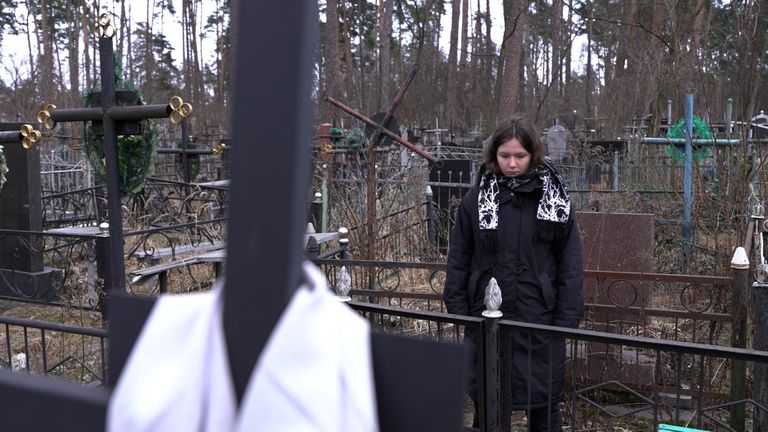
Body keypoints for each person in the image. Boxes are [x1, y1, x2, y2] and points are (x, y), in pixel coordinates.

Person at [443, 114, 585, 431]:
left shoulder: (554, 199)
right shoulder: (477, 199)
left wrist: (566, 318)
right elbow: (460, 256)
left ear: (533, 154)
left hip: (540, 320)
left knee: (544, 407)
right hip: (486, 320)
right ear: (494, 155)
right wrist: (459, 308)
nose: (511, 164)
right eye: (504, 155)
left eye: (519, 156)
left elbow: (570, 262)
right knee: (490, 405)